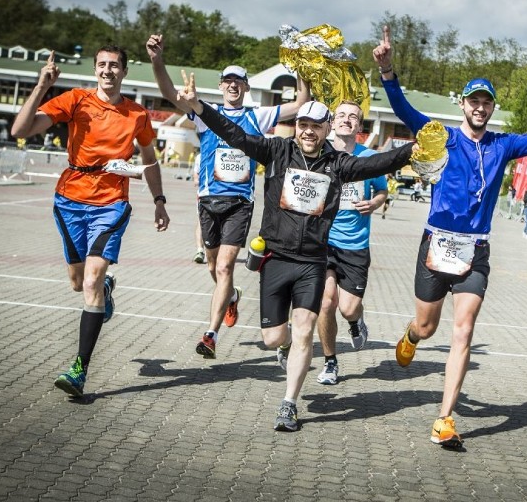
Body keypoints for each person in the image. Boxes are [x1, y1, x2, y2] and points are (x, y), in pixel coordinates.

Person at [373, 25, 527, 448]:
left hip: (475, 250)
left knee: (464, 329)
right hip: (437, 244)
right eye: (473, 100)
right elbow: (405, 112)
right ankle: (411, 336)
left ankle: (445, 419)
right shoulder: (444, 136)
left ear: (491, 108)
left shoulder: (504, 145)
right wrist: (388, 72)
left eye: (486, 102)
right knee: (428, 325)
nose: (479, 107)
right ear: (463, 104)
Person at [174, 74, 417, 432]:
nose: (307, 132)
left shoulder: (338, 163)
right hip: (275, 260)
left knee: (305, 331)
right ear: (296, 126)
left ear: (325, 129)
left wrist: (415, 149)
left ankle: (289, 404)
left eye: (315, 126)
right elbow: (233, 133)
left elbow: (378, 164)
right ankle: (284, 348)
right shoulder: (276, 151)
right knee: (275, 338)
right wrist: (199, 107)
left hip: (312, 263)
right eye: (302, 124)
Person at [11, 47, 170, 398]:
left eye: (114, 65)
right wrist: (41, 87)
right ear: (95, 69)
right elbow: (19, 130)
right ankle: (105, 291)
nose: (107, 70)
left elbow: (149, 160)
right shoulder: (74, 100)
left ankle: (79, 369)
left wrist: (159, 202)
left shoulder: (137, 115)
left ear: (124, 71)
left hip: (111, 203)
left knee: (93, 280)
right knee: (78, 282)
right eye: (102, 65)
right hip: (69, 200)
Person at [147, 34, 309, 361]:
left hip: (239, 203)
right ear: (221, 86)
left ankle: (210, 335)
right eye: (228, 80)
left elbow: (301, 103)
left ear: (247, 88)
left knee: (224, 267)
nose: (233, 85)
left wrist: (300, 66)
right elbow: (167, 93)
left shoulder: (258, 116)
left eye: (239, 81)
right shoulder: (203, 113)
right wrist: (156, 59)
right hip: (208, 202)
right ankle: (232, 295)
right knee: (213, 266)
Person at [315, 101, 388, 385]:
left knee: (347, 308)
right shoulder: (320, 153)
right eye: (342, 116)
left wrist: (374, 203)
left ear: (359, 127)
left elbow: (382, 191)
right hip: (322, 241)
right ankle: (330, 361)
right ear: (332, 122)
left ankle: (356, 322)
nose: (347, 120)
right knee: (325, 303)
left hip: (355, 245)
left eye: (353, 117)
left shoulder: (369, 157)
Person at [192, 153, 205, 264]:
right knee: (201, 221)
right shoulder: (200, 156)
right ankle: (200, 250)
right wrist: (196, 180)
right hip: (203, 194)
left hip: (220, 195)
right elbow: (196, 173)